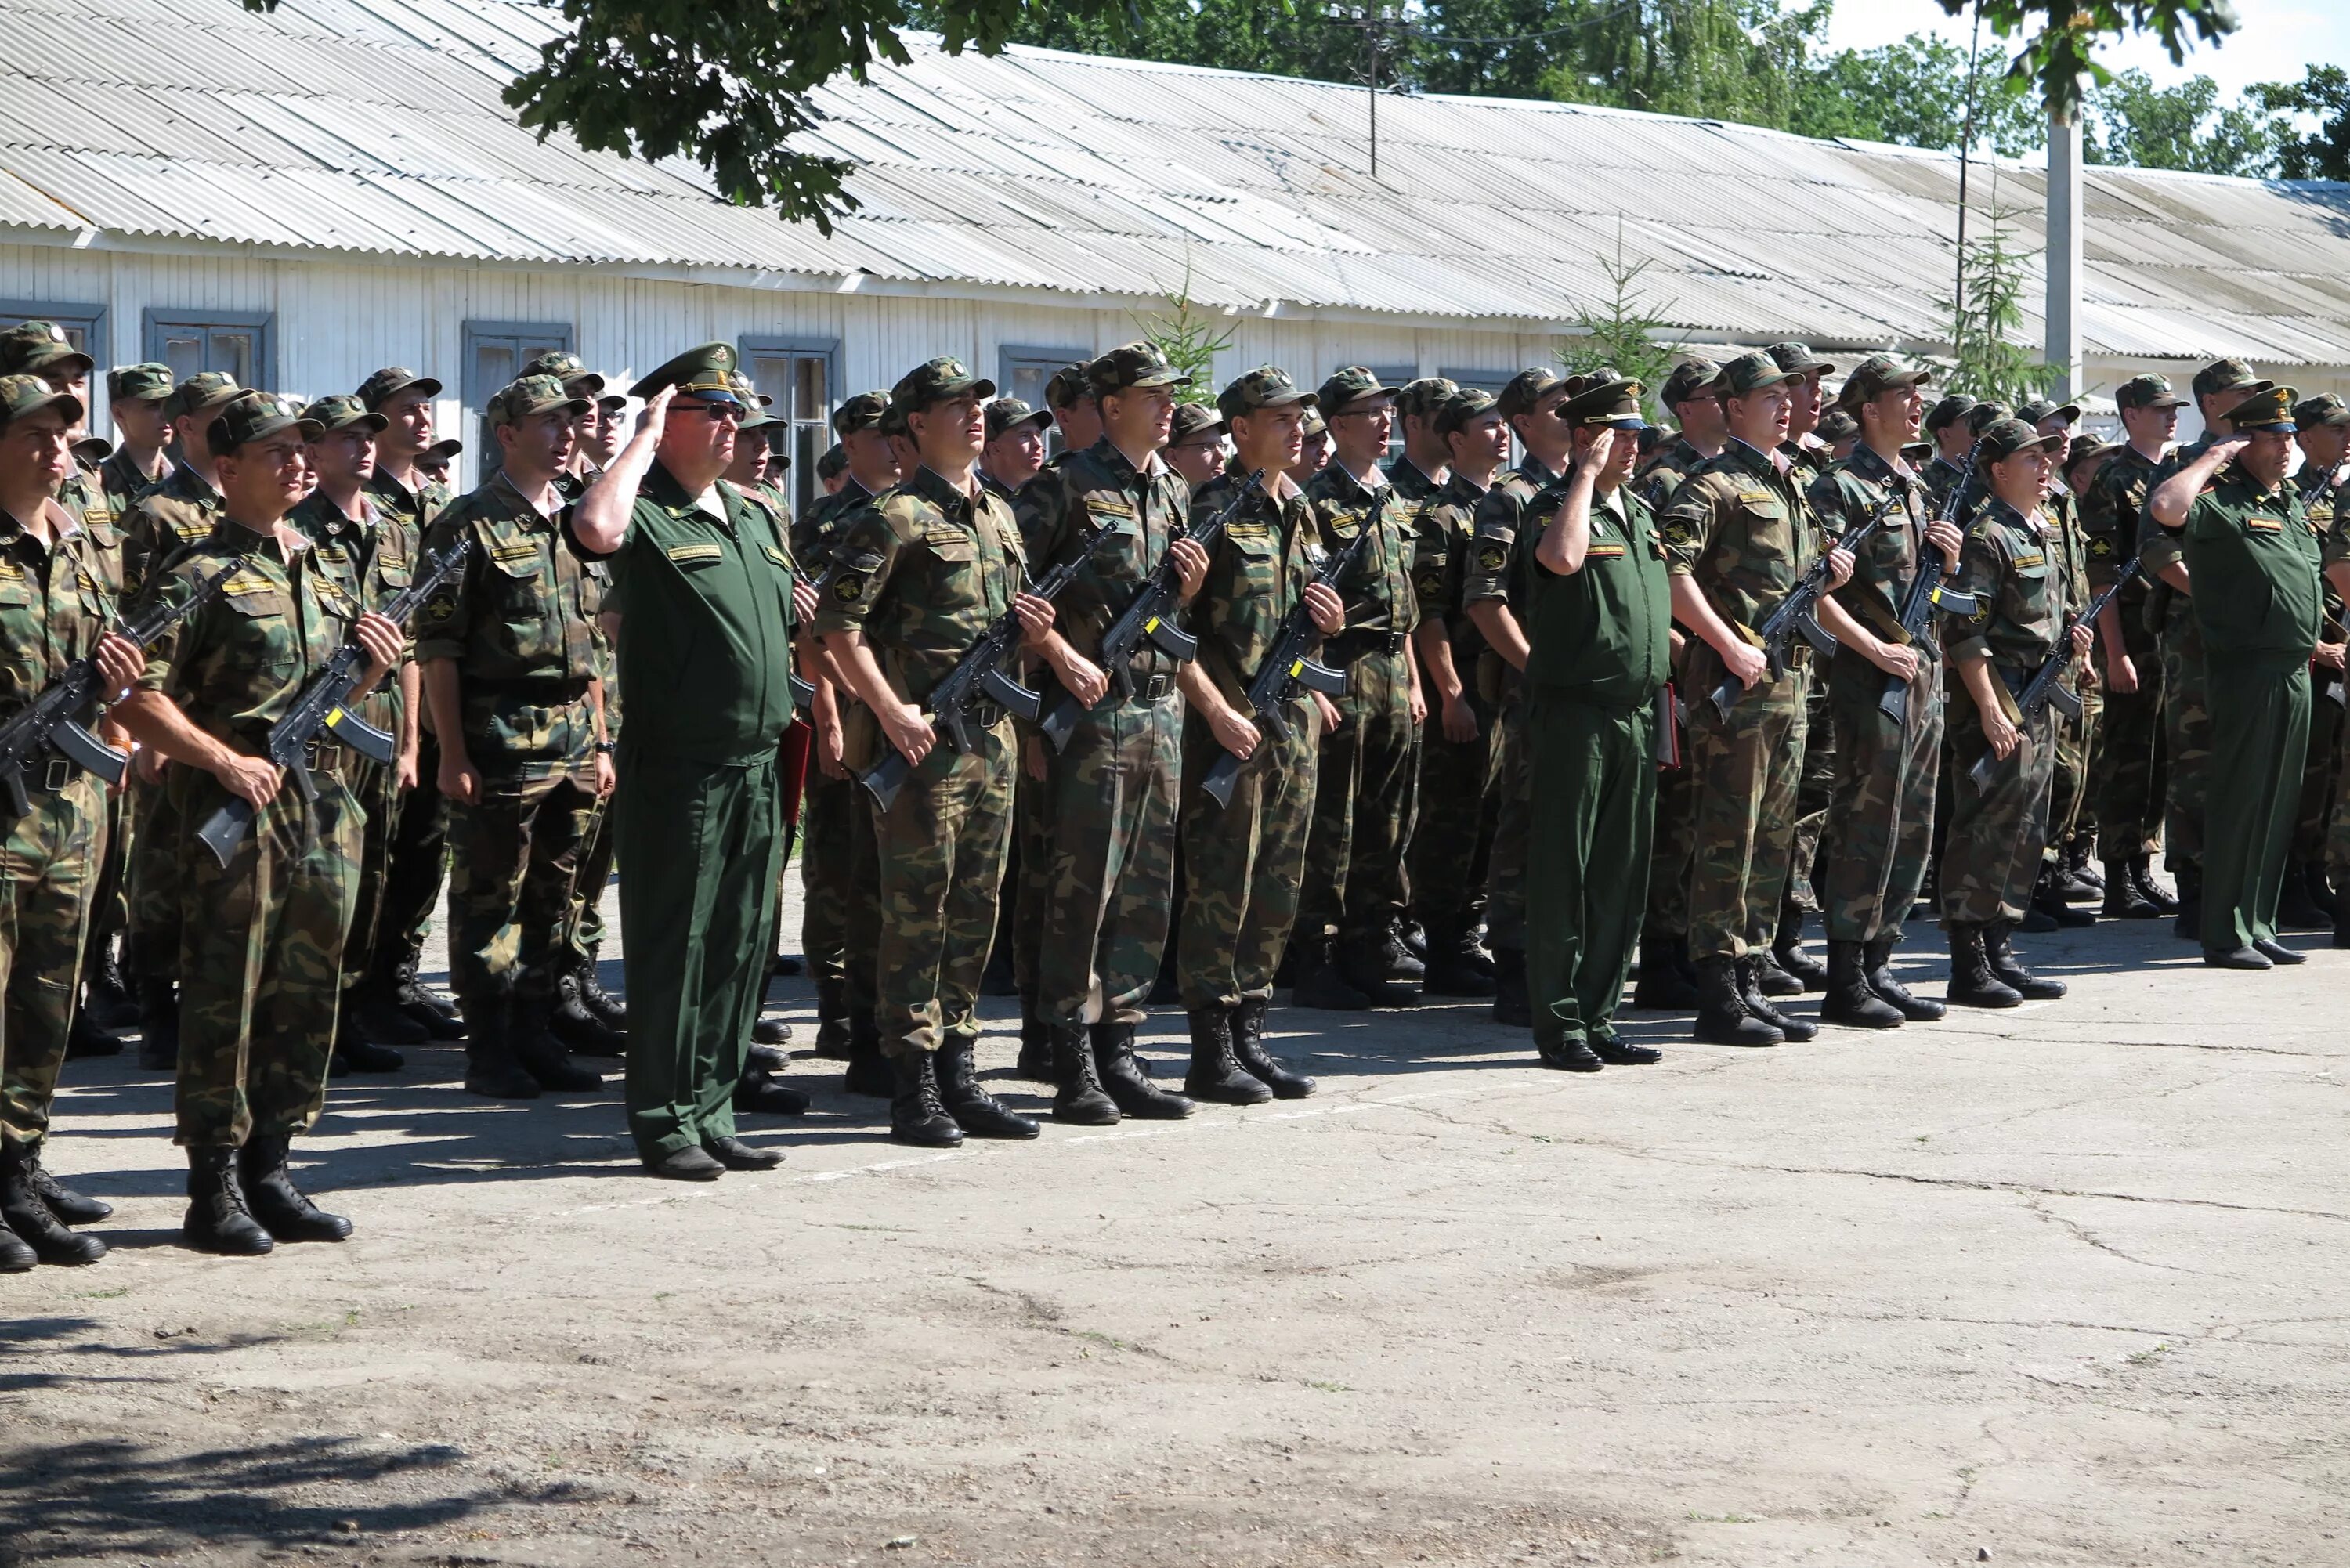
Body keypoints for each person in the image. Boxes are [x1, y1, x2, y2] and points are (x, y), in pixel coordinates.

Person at [115, 392, 403, 1255]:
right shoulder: (194, 574)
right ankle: (213, 1185)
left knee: (307, 990)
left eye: (303, 450)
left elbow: (328, 700)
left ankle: (273, 1164)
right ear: (229, 467)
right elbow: (137, 695)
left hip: (319, 806)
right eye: (275, 452)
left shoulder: (321, 566)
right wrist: (221, 761)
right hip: (231, 810)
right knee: (226, 995)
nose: (297, 463)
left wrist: (368, 675)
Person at [569, 344, 814, 1178]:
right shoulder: (645, 510)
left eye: (735, 412)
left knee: (741, 945)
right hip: (682, 769)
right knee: (678, 948)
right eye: (711, 410)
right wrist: (635, 439)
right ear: (666, 421)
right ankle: (665, 1119)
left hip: (757, 763)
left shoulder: (752, 514)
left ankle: (713, 1108)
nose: (731, 425)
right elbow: (595, 529)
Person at [817, 357, 1054, 1147]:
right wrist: (890, 713)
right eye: (957, 406)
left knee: (974, 911)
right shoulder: (892, 518)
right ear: (916, 424)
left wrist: (1035, 634)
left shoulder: (999, 515)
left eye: (978, 405)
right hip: (923, 748)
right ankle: (911, 1082)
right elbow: (836, 631)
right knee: (915, 915)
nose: (975, 416)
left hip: (991, 739)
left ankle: (961, 1068)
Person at [1024, 341, 1205, 1121]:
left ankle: (1121, 1046)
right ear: (1111, 406)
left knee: (1144, 888)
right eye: (1152, 395)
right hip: (1088, 719)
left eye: (1171, 395)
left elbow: (1171, 616)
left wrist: (1188, 590)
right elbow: (1013, 597)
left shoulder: (1173, 490)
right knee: (1081, 889)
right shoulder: (1061, 487)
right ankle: (1068, 1055)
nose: (1168, 407)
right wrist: (1060, 660)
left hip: (1159, 712)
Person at [418, 375, 612, 1100]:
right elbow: (439, 647)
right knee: (489, 899)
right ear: (506, 435)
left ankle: (535, 1031)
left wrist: (599, 740)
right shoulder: (466, 523)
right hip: (499, 738)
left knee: (553, 901)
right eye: (548, 424)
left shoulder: (574, 521)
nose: (566, 436)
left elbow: (590, 641)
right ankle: (491, 1045)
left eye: (570, 424)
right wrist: (453, 754)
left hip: (571, 740)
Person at [1659, 351, 1854, 1047]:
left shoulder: (1793, 481)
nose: (1787, 403)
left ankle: (1750, 975)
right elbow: (1669, 573)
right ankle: (1716, 993)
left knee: (1773, 838)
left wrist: (1830, 576)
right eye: (1770, 395)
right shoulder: (1713, 485)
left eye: (1789, 394)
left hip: (1791, 685)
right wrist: (1728, 644)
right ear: (1733, 407)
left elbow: (1792, 585)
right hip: (1736, 690)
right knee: (1727, 840)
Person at [0, 374, 146, 1269]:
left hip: (72, 807)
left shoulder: (86, 543)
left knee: (47, 1000)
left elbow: (118, 669)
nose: (58, 450)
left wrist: (122, 701)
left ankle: (18, 1169)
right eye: (35, 434)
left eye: (65, 434)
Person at [1173, 367, 1342, 1102]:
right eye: (1280, 418)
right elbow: (1169, 630)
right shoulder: (1209, 511)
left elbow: (1297, 620)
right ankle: (1210, 1050)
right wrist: (1216, 712)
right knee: (1223, 887)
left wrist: (1325, 638)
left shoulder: (1302, 512)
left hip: (1292, 725)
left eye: (1300, 417)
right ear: (1240, 429)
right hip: (1231, 733)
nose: (1297, 428)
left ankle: (1252, 1036)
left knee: (1278, 883)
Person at [1521, 375, 1671, 1071]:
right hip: (1574, 715)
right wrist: (1581, 476)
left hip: (1637, 715)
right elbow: (1561, 560)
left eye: (1639, 433)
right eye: (1622, 434)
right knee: (1565, 872)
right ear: (1586, 437)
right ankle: (1560, 1024)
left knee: (1621, 874)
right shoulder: (1553, 507)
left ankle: (1600, 1012)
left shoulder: (1637, 513)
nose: (1635, 445)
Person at [1806, 356, 1960, 1028]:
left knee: (1914, 820)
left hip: (1921, 669)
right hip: (1874, 676)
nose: (1917, 405)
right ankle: (1845, 976)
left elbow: (1922, 592)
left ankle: (1880, 962)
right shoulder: (1839, 487)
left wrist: (1946, 560)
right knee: (1869, 822)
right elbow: (1816, 593)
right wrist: (1873, 650)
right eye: (1904, 394)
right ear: (1869, 408)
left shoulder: (1913, 486)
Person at [2148, 385, 2324, 969]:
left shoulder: (2287, 502)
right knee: (2240, 798)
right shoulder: (2219, 500)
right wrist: (2212, 456)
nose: (2286, 448)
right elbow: (2166, 510)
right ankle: (2224, 932)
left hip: (2294, 666)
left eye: (2289, 438)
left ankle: (2258, 921)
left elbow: (2296, 584)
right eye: (2274, 438)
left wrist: (2315, 641)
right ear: (2245, 441)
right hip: (2245, 668)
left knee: (2277, 801)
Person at [114, 370, 245, 1071]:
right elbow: (130, 628)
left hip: (237, 720)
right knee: (164, 868)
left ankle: (209, 1000)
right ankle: (156, 1003)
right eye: (219, 415)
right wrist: (135, 733)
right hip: (172, 716)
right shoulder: (157, 513)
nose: (230, 425)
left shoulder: (251, 507)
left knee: (223, 872)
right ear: (189, 424)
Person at [288, 394, 422, 1074]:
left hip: (385, 723)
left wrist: (412, 744)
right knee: (323, 886)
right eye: (345, 439)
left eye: (369, 436)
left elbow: (413, 649)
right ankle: (308, 1024)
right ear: (313, 452)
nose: (363, 448)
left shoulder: (396, 528)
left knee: (373, 879)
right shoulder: (297, 530)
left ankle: (351, 1010)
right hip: (326, 729)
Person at [1936, 418, 2088, 1006]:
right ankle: (1968, 961)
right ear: (1999, 471)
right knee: (1983, 827)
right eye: (2031, 459)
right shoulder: (1986, 537)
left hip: (2042, 693)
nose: (2046, 465)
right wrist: (1992, 712)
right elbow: (1964, 634)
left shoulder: (2040, 530)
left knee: (2025, 828)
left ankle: (2000, 947)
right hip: (2002, 695)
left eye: (2048, 457)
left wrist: (2071, 638)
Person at [1296, 368, 1426, 1008]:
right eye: (1370, 413)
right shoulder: (1315, 501)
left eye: (1388, 411)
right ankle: (1317, 955)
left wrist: (1416, 682)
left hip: (1393, 671)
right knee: (1334, 822)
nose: (1384, 423)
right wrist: (1314, 686)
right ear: (1338, 424)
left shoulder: (1395, 499)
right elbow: (1301, 606)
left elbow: (1409, 606)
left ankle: (1370, 943)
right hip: (1341, 670)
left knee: (1388, 818)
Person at [1461, 367, 1577, 1023]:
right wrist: (1538, 671)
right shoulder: (1512, 497)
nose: (1571, 417)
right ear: (1524, 423)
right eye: (1557, 408)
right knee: (1526, 826)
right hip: (1537, 691)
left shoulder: (1593, 490)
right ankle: (1514, 965)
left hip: (1590, 692)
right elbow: (1485, 601)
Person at [356, 367, 466, 1046]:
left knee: (423, 850)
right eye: (407, 408)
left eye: (427, 406)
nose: (422, 418)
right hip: (378, 707)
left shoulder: (430, 502)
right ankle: (364, 989)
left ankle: (398, 977)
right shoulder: (363, 503)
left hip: (426, 702)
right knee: (378, 855)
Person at [792, 392, 897, 1089]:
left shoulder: (914, 512)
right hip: (846, 708)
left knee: (890, 872)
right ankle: (836, 1004)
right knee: (836, 864)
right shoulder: (823, 525)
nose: (892, 445)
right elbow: (814, 632)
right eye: (875, 434)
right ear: (848, 444)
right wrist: (831, 713)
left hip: (902, 710)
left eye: (898, 432)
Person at [2144, 359, 2269, 941]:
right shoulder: (2181, 465)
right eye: (2242, 395)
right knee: (2196, 759)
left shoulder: (2263, 468)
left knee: (2249, 758)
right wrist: (2219, 598)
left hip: (2257, 641)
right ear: (2213, 404)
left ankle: (2248, 887)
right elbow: (2157, 550)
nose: (2251, 404)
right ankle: (2194, 886)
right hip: (2197, 638)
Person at [1630, 357, 1726, 1012]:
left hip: (1726, 666)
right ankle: (1662, 955)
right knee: (1678, 819)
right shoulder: (1664, 480)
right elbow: (1657, 584)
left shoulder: (1736, 474)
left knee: (1710, 817)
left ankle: (1698, 948)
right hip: (1685, 670)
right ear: (1683, 409)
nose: (1724, 402)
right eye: (1710, 395)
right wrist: (1689, 659)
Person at [1405, 388, 1506, 999]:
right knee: (1453, 823)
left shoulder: (1505, 503)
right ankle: (1447, 946)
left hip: (1503, 683)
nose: (1500, 434)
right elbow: (1430, 614)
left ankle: (1471, 937)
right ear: (1456, 438)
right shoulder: (1444, 516)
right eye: (1486, 426)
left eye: (1502, 424)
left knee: (1490, 820)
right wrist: (1450, 694)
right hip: (1467, 680)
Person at [2081, 374, 2186, 919]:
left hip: (2172, 635)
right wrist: (2114, 652)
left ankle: (2145, 865)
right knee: (2126, 756)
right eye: (2159, 408)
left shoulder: (2175, 474)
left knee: (2161, 757)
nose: (2171, 416)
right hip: (2133, 635)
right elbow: (2102, 576)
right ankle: (2118, 872)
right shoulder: (2112, 480)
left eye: (2174, 408)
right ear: (2130, 413)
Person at [1762, 342, 1839, 995]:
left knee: (1808, 804)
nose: (1809, 396)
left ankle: (1786, 933)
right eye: (1797, 384)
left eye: (1815, 384)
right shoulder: (1753, 473)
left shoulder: (1811, 468)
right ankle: (1753, 945)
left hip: (1814, 671)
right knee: (1764, 814)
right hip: (1766, 669)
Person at [2286, 396, 2350, 932]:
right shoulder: (2293, 497)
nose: (2347, 436)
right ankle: (2295, 878)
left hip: (2343, 650)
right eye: (2337, 428)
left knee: (2334, 777)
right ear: (2307, 436)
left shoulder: (2341, 491)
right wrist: (2313, 644)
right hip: (2316, 651)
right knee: (2309, 773)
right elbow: (2288, 581)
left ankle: (2319, 874)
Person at [98, 363, 174, 519]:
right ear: (119, 414)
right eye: (153, 405)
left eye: (169, 404)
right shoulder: (99, 486)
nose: (165, 414)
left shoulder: (184, 484)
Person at [1920, 395, 1979, 512]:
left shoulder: (1985, 479)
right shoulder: (1927, 484)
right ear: (1945, 434)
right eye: (1969, 422)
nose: (1977, 429)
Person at [1163, 401, 1227, 488]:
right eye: (1208, 446)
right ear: (1173, 457)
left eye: (1221, 446)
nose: (1221, 456)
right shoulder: (1153, 499)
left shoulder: (1236, 497)